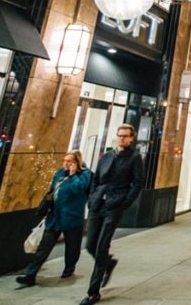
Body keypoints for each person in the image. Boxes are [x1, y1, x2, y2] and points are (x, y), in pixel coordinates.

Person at [80, 124, 144, 305]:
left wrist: (124, 202)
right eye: (119, 135)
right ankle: (108, 264)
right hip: (98, 204)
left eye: (125, 136)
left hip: (114, 205)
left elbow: (138, 183)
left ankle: (93, 292)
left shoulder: (134, 158)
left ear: (132, 138)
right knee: (90, 245)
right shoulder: (107, 156)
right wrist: (92, 198)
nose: (122, 138)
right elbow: (96, 179)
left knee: (101, 246)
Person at [16, 150, 92, 286]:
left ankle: (69, 268)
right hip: (55, 216)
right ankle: (30, 274)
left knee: (72, 246)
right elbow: (51, 190)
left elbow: (78, 190)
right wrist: (47, 207)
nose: (66, 163)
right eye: (65, 160)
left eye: (69, 161)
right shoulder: (60, 173)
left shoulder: (85, 175)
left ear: (76, 162)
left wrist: (73, 174)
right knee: (44, 246)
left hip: (72, 217)